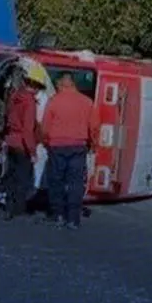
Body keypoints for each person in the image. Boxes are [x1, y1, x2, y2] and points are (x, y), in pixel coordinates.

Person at [42, 72, 96, 230]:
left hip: (57, 146)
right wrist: (92, 145)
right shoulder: (87, 102)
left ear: (61, 84)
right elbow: (93, 127)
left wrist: (46, 143)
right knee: (76, 183)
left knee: (56, 181)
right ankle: (73, 219)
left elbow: (45, 128)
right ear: (73, 84)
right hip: (78, 147)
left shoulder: (54, 101)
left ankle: (58, 215)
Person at [2, 69, 42, 220]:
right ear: (35, 86)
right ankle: (18, 209)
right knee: (23, 177)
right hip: (22, 144)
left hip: (11, 141)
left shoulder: (14, 97)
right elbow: (27, 129)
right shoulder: (29, 102)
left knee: (11, 176)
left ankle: (8, 206)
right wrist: (32, 152)